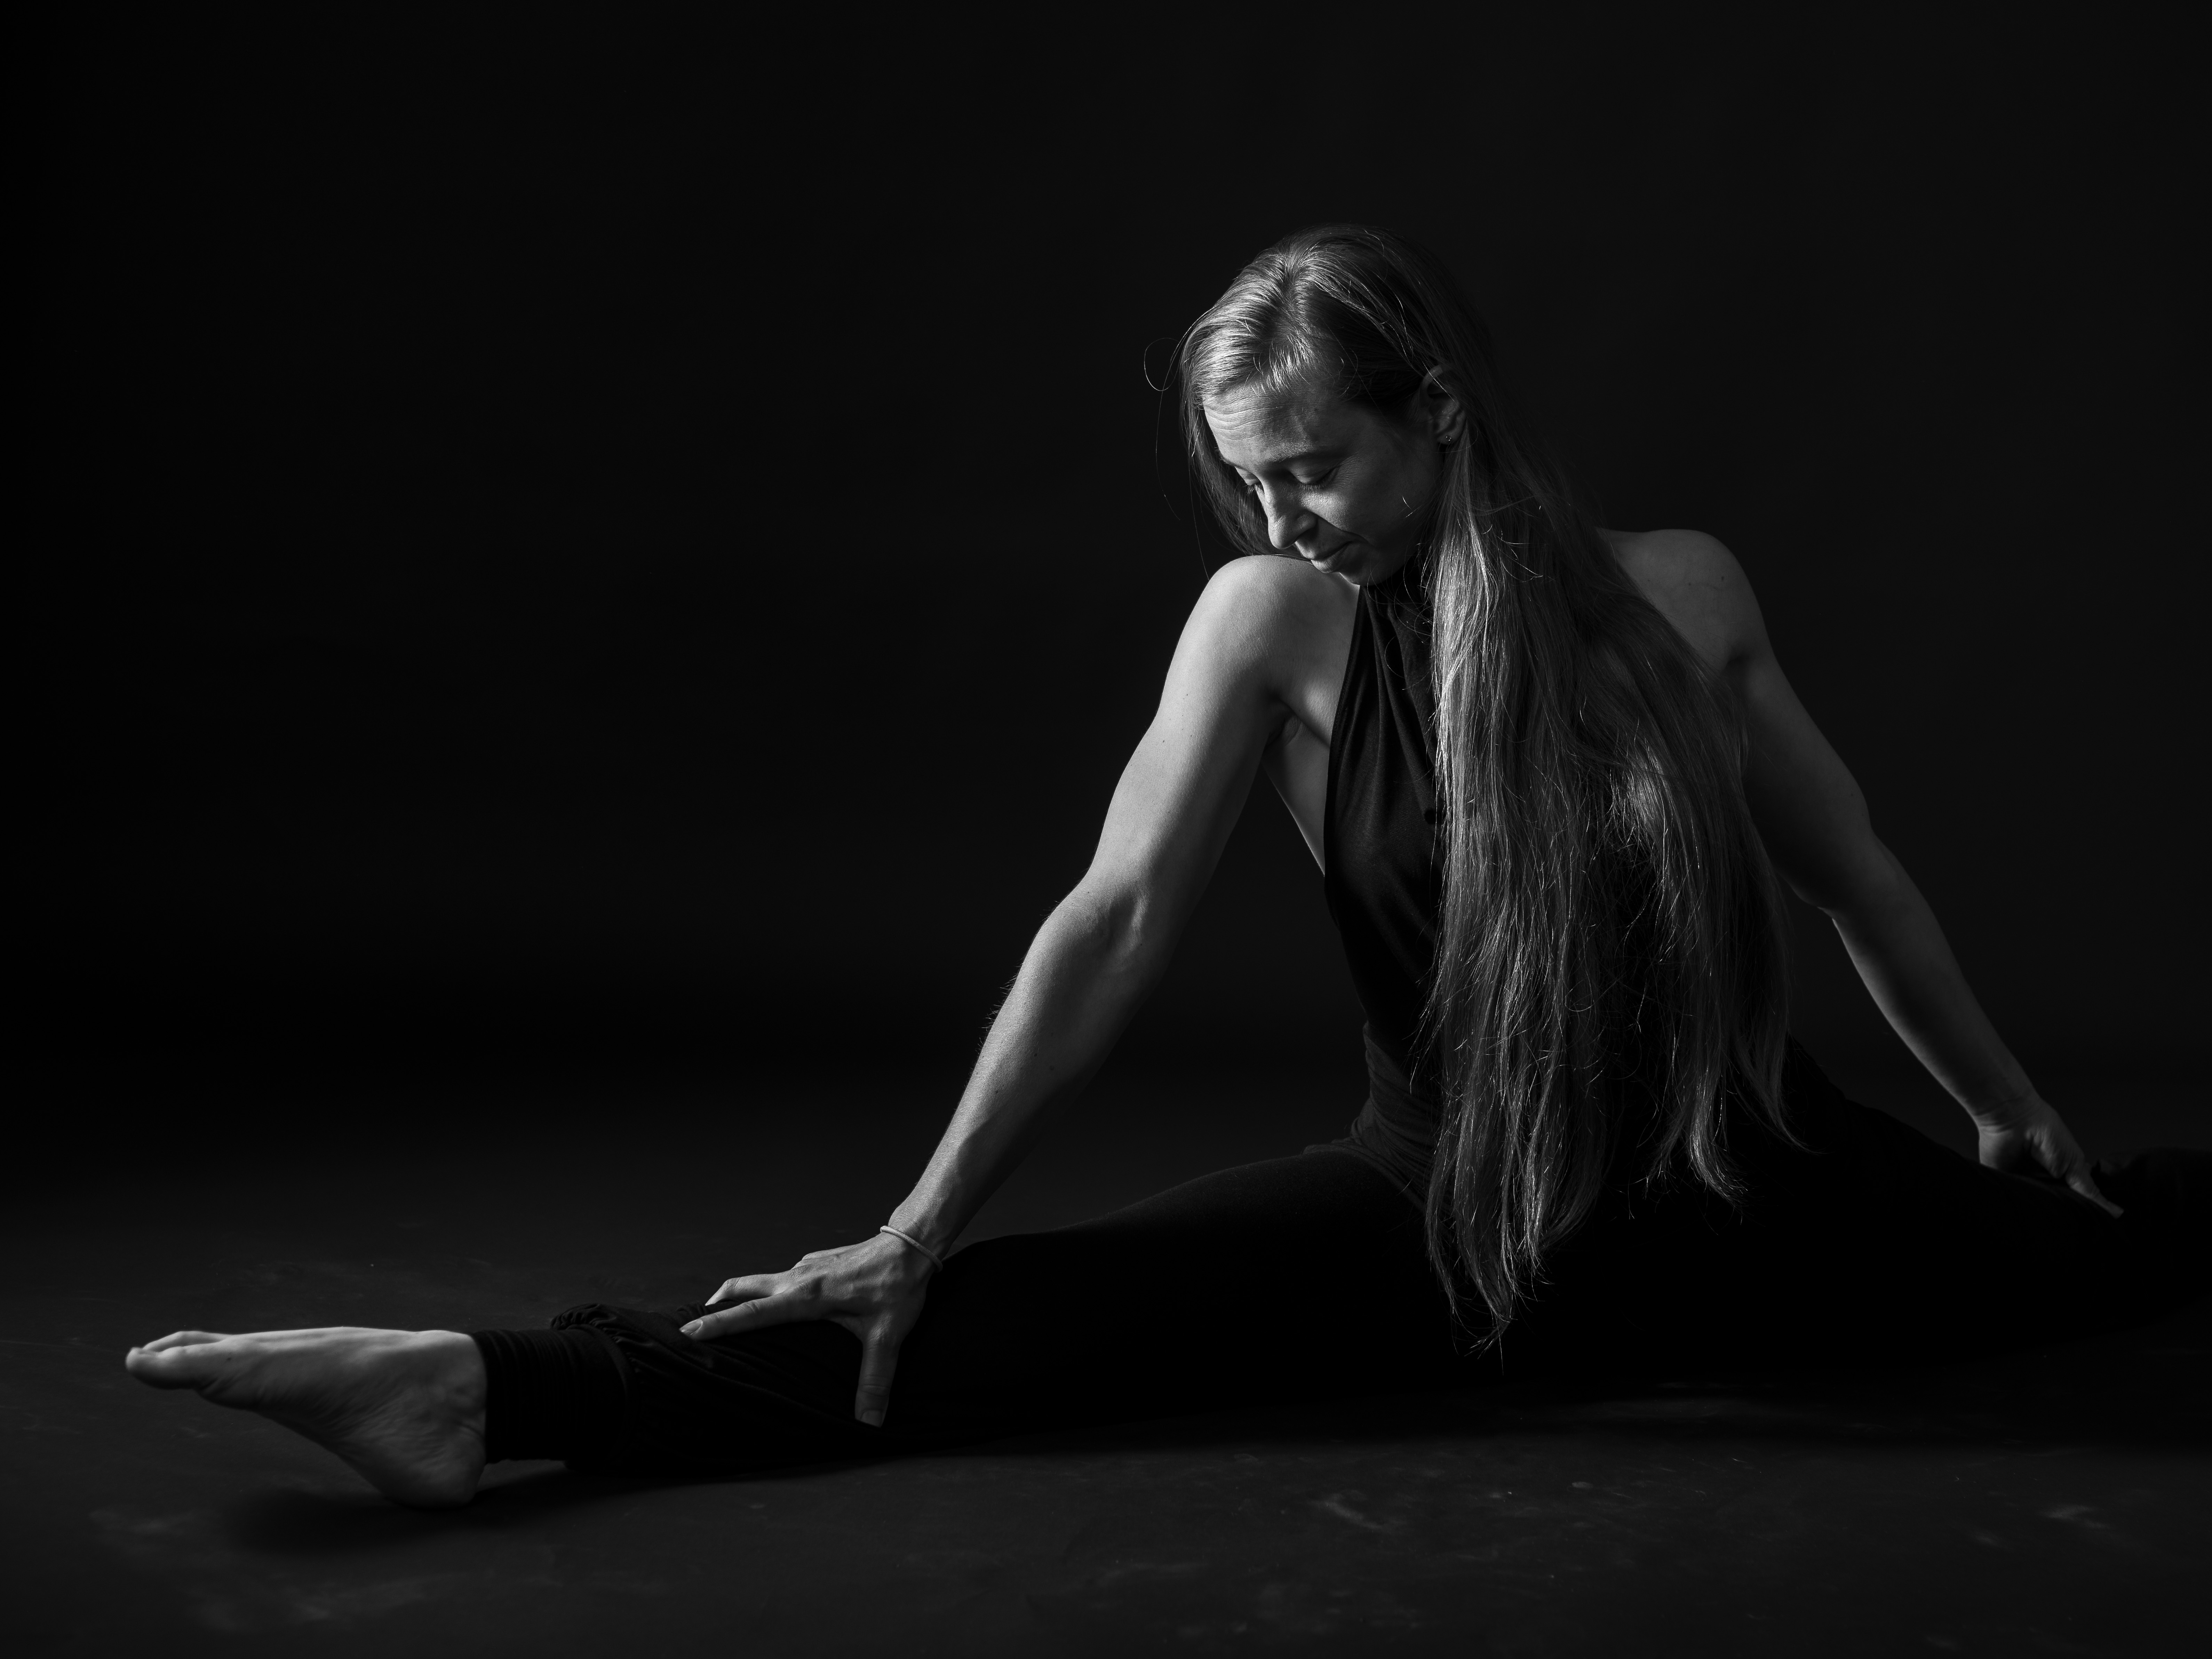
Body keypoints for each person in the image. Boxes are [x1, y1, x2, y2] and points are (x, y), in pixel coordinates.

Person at [126, 225, 2204, 1509]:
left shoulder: (1682, 596)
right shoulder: (1275, 627)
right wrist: (919, 1218)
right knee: (1005, 1323)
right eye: (1247, 478)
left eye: (1312, 465)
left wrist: (2007, 1109)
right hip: (1447, 1205)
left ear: (1440, 411)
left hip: (1754, 1191)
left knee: (2118, 1242)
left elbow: (1860, 879)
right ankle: (492, 1392)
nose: (1281, 515)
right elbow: (1112, 919)